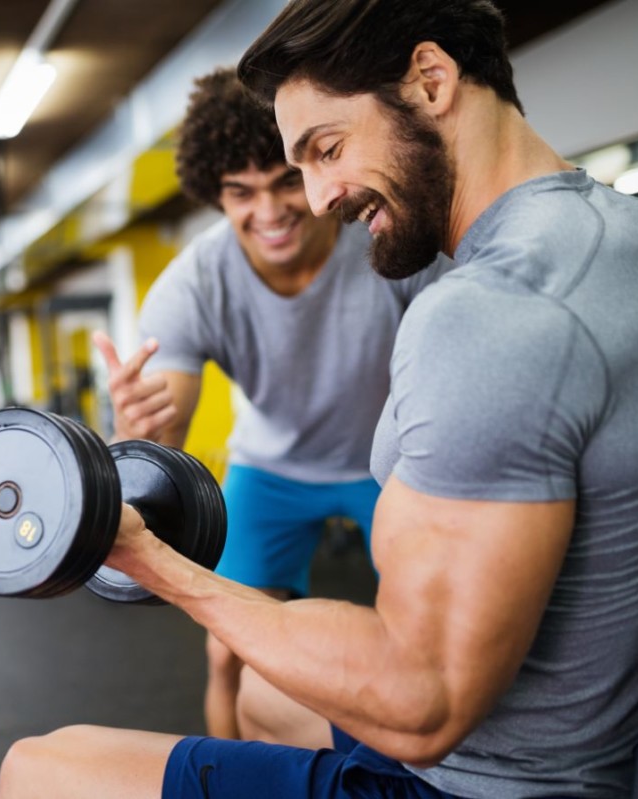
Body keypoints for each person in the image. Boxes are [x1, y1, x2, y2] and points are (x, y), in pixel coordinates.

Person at [0, 0, 638, 796]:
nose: (315, 201)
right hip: (585, 720)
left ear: (431, 80)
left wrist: (150, 561)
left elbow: (425, 704)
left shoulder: (486, 309)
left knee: (40, 766)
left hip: (478, 775)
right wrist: (145, 424)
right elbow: (164, 419)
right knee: (257, 685)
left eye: (325, 150)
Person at [93, 66, 449, 740]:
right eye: (240, 192)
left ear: (313, 169)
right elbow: (168, 422)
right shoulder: (192, 284)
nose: (270, 210)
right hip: (272, 468)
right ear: (215, 193)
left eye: (286, 180)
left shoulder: (387, 239)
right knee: (227, 648)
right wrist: (143, 421)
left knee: (427, 644)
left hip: (391, 464)